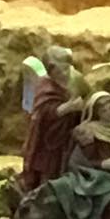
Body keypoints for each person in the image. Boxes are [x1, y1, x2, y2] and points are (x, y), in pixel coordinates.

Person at [19, 46, 82, 191]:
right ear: (51, 70)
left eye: (67, 68)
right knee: (48, 171)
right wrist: (69, 107)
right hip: (48, 140)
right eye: (60, 71)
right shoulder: (45, 86)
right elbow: (43, 112)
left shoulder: (73, 79)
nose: (65, 73)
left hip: (67, 135)